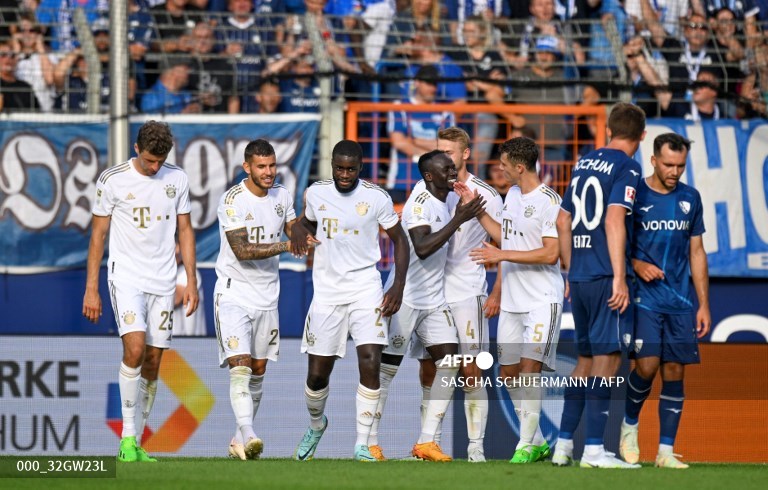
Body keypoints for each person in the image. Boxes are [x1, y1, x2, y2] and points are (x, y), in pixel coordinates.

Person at [82, 121, 199, 463]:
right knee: (134, 348)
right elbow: (98, 237)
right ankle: (127, 439)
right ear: (136, 149)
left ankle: (140, 441)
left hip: (163, 280)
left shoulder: (176, 178)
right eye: (149, 160)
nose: (155, 167)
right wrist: (92, 288)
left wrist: (190, 280)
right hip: (127, 277)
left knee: (153, 360)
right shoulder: (112, 179)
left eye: (160, 161)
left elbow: (185, 229)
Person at [289, 140, 410, 462]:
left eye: (351, 169)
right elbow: (308, 223)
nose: (344, 174)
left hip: (365, 287)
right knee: (317, 375)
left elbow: (401, 241)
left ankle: (362, 444)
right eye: (339, 168)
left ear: (360, 168)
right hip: (327, 291)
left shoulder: (376, 197)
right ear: (332, 165)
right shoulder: (315, 193)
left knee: (370, 359)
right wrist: (298, 230)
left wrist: (397, 286)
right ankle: (317, 425)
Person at [395, 128, 503, 463]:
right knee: (430, 369)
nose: (445, 159)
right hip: (428, 292)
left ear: (466, 154)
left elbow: (504, 245)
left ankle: (475, 449)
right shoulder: (426, 189)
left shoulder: (485, 195)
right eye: (439, 152)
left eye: (450, 153)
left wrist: (497, 290)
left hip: (466, 289)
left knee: (471, 369)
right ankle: (429, 444)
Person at [370, 150, 486, 462]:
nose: (454, 173)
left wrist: (461, 209)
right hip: (406, 299)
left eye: (454, 167)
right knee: (385, 372)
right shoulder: (419, 203)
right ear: (429, 176)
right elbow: (420, 247)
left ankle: (426, 441)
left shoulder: (448, 197)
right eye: (447, 169)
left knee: (448, 364)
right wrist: (461, 217)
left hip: (434, 300)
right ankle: (368, 442)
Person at [551, 102, 645, 469]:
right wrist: (620, 277)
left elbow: (562, 221)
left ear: (608, 130)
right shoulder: (628, 166)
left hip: (579, 275)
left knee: (584, 362)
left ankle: (563, 446)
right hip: (607, 276)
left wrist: (571, 271)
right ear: (642, 134)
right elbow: (614, 219)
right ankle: (593, 450)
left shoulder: (584, 162)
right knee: (608, 361)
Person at [465, 137, 563, 464]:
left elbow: (551, 254)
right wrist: (475, 207)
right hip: (512, 302)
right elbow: (502, 234)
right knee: (508, 375)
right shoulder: (514, 195)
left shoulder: (550, 201)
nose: (500, 168)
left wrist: (501, 254)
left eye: (504, 164)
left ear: (519, 167)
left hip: (541, 300)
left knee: (529, 370)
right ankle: (535, 440)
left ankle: (523, 446)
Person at [618, 133, 710, 469]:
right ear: (654, 160)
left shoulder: (690, 197)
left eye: (680, 166)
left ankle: (665, 452)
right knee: (647, 365)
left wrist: (703, 303)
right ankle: (629, 427)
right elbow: (616, 240)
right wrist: (635, 264)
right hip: (644, 298)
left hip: (680, 300)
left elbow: (696, 251)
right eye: (669, 164)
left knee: (674, 371)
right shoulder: (635, 195)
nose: (675, 171)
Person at [214, 139, 302, 460]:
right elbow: (243, 251)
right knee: (240, 366)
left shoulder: (282, 195)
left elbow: (294, 229)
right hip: (234, 292)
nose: (268, 172)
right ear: (247, 167)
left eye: (272, 166)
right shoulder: (232, 200)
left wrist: (306, 230)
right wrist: (286, 246)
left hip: (268, 296)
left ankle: (239, 440)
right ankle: (250, 434)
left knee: (259, 370)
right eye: (261, 167)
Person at [172, 243, 206, 336]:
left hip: (192, 343)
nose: (176, 251)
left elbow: (175, 299)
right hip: (168, 342)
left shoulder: (188, 273)